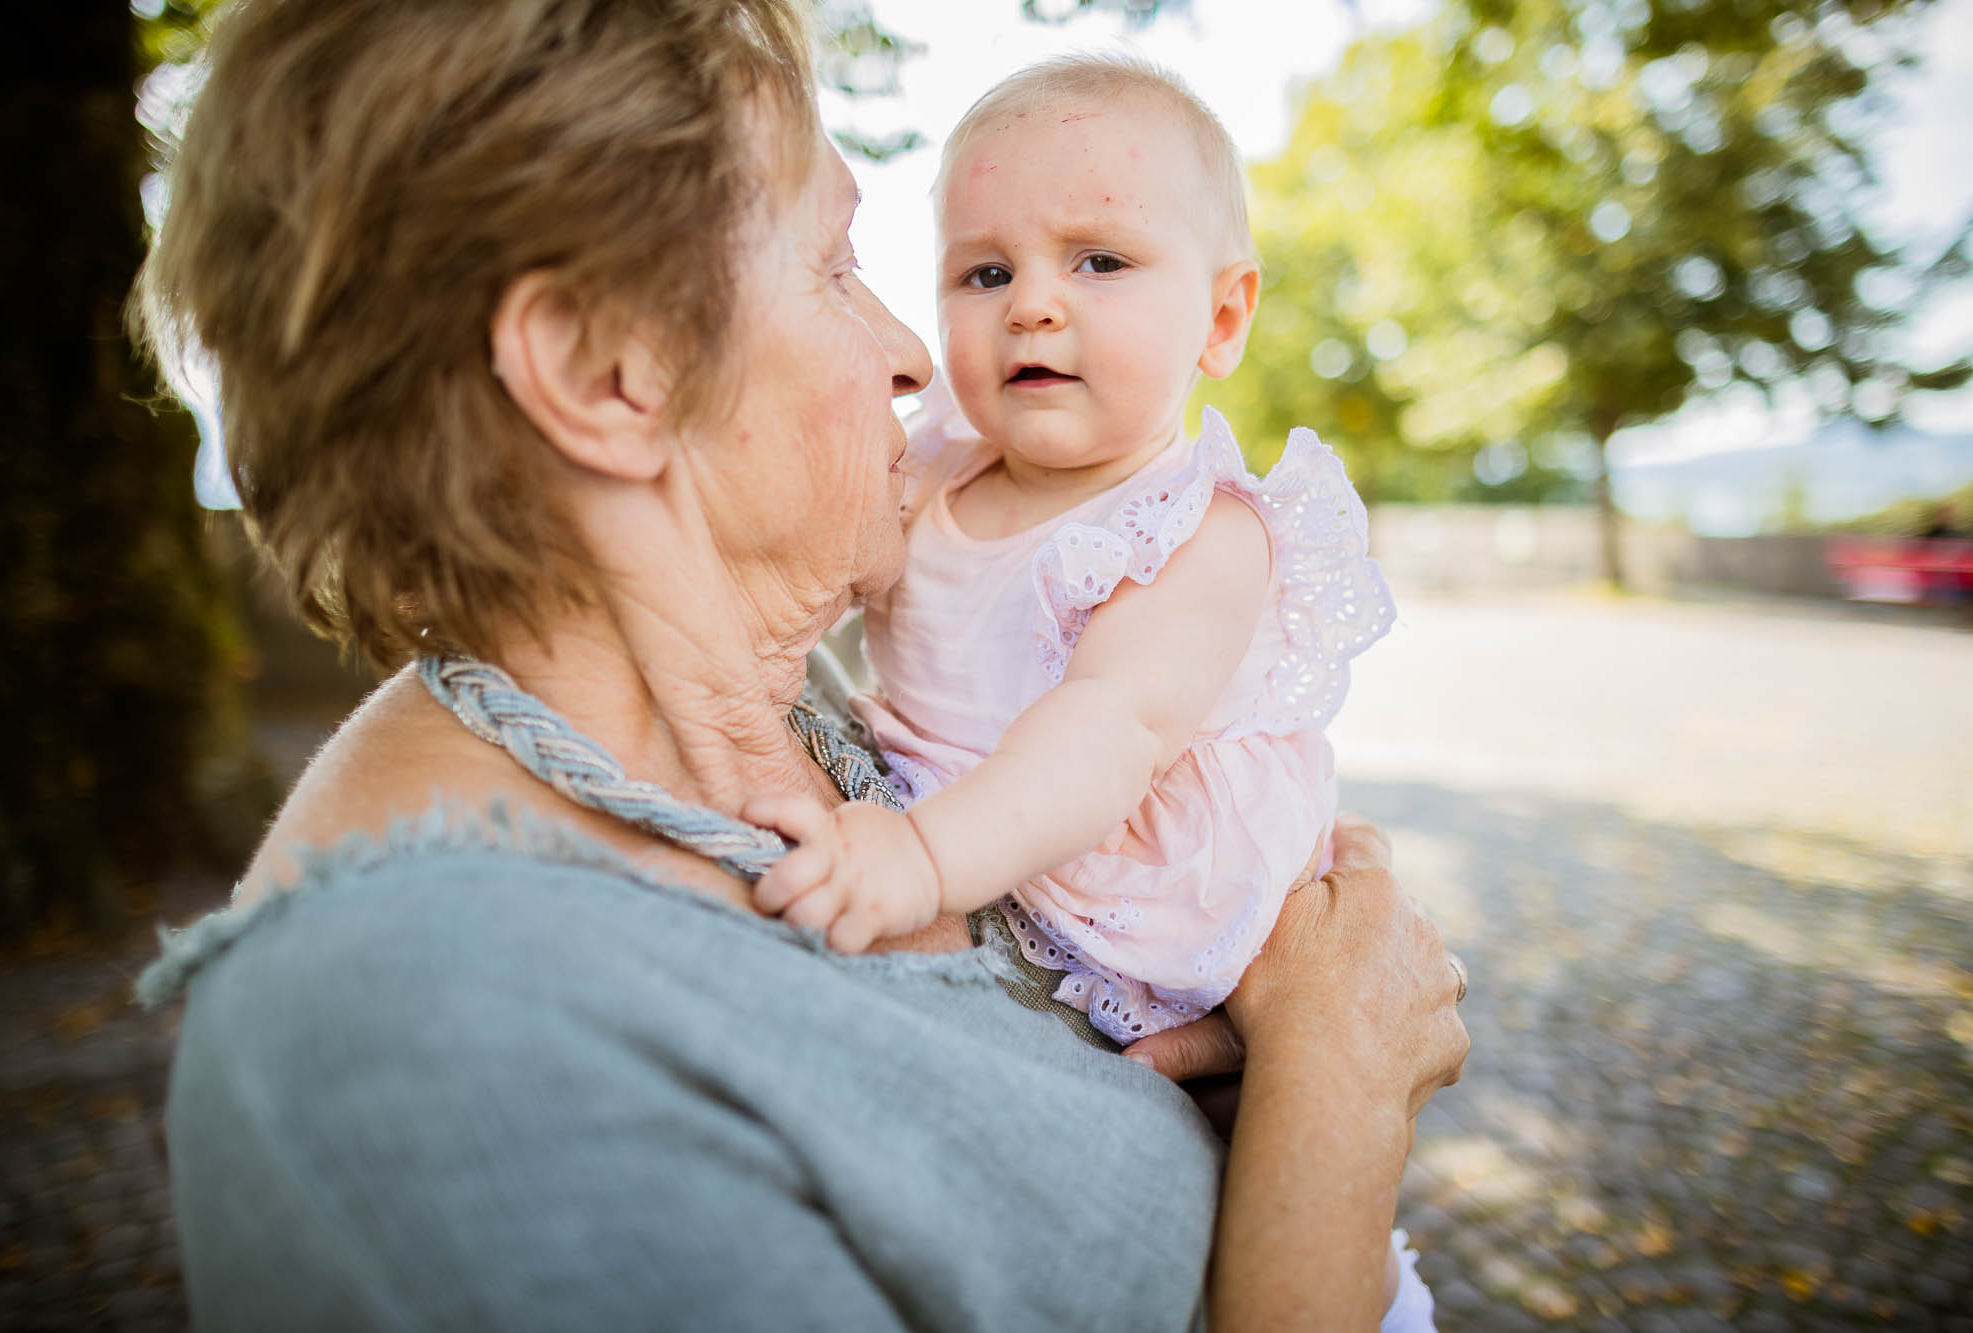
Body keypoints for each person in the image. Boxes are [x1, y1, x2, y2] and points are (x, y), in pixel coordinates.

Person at [130, 2, 1469, 1329]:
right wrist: (1336, 1089)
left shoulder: (816, 722)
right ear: (607, 373)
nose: (909, 355)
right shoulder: (411, 1034)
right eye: (837, 267)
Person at [745, 55, 1421, 1326]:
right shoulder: (934, 469)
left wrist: (920, 858)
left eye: (1098, 262)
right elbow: (803, 589)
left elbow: (1110, 731)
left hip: (1153, 918)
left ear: (1222, 320)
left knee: (1236, 1200)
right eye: (984, 271)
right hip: (1006, 890)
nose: (1033, 307)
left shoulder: (1194, 531)